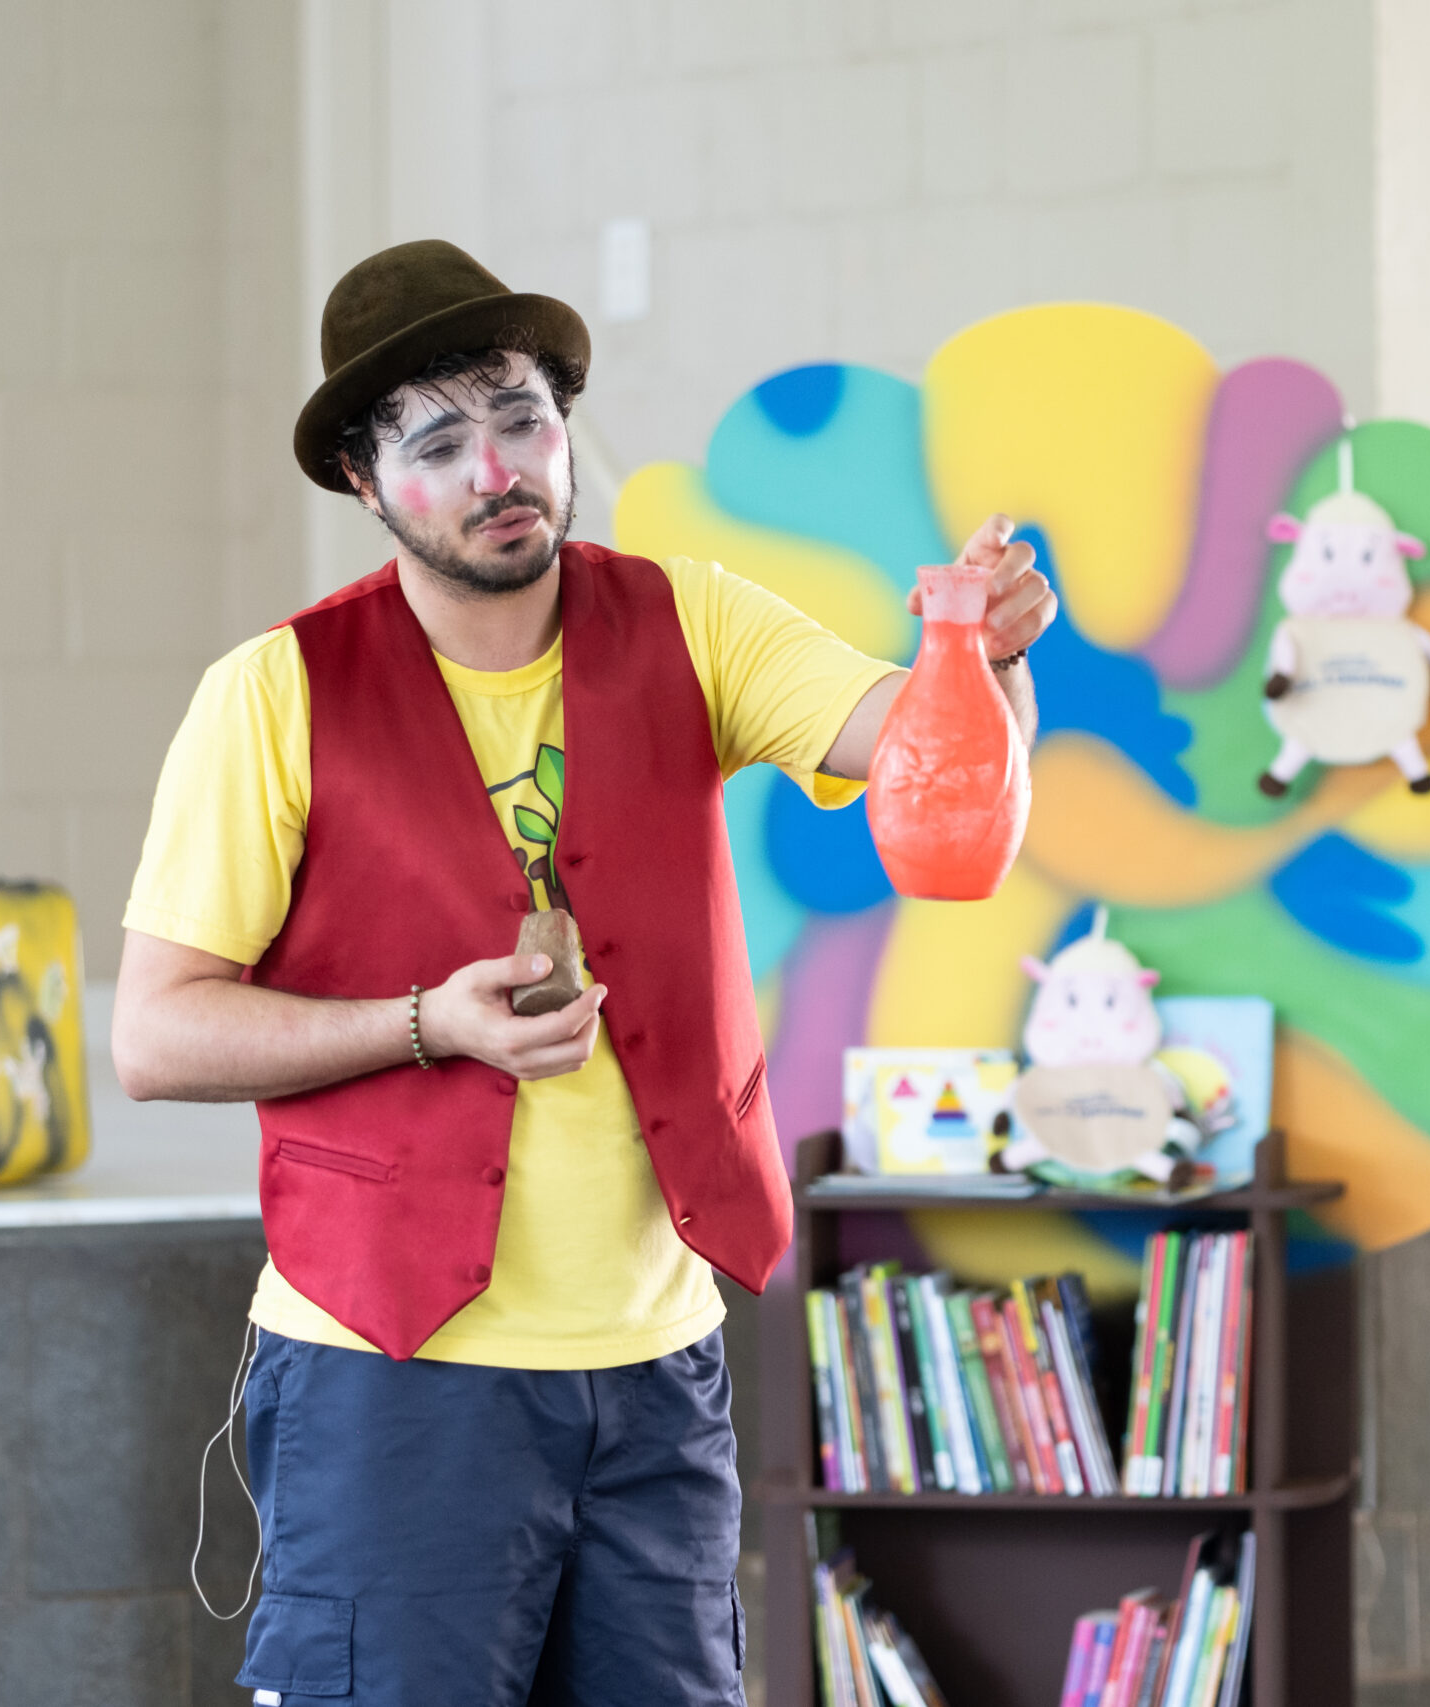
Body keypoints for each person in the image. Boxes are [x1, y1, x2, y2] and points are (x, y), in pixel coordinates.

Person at [109, 240, 1056, 1705]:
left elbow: (937, 780)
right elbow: (156, 1036)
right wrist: (424, 1024)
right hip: (393, 1372)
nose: (498, 470)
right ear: (365, 480)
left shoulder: (694, 621)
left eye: (524, 420)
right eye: (439, 443)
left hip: (657, 1375)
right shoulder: (273, 694)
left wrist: (980, 659)